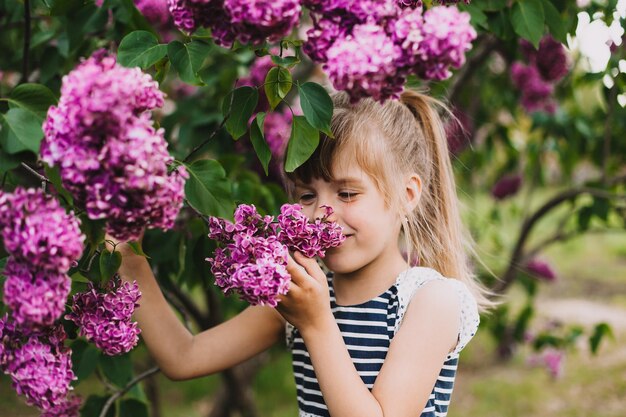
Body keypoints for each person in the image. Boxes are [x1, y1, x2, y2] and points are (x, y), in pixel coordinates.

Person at [109, 89, 494, 417]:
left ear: (407, 195)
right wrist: (127, 254)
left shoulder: (431, 301)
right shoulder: (302, 294)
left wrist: (314, 324)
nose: (321, 214)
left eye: (347, 193)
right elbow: (184, 356)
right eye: (307, 195)